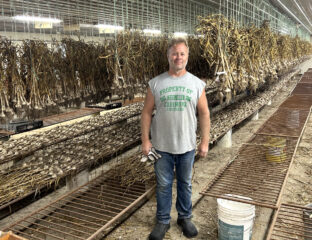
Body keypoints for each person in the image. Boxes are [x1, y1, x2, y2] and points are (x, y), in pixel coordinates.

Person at [141, 37, 211, 240]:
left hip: (187, 146)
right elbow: (146, 113)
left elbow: (204, 113)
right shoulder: (156, 83)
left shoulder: (197, 84)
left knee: (185, 183)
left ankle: (184, 217)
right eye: (174, 53)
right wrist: (146, 140)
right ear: (168, 56)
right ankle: (163, 221)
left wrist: (204, 141)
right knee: (163, 185)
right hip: (161, 147)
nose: (178, 57)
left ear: (187, 57)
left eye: (182, 53)